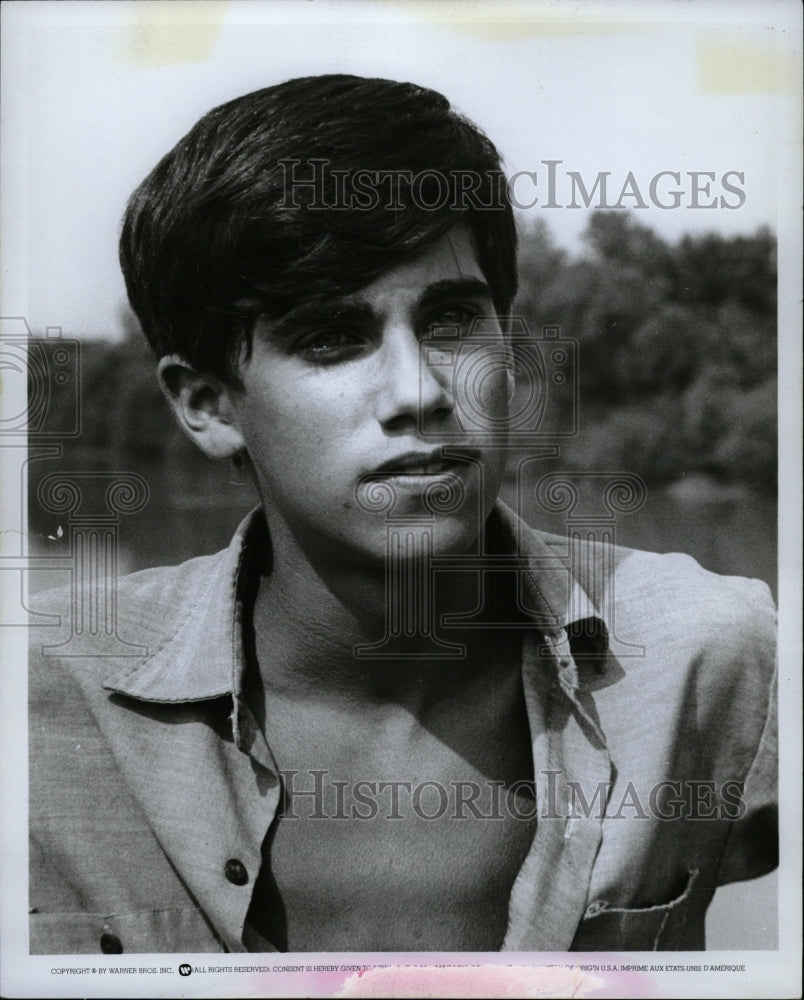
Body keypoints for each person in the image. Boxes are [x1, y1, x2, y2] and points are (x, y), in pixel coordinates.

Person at [28, 75, 777, 955]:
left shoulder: (715, 655)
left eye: (454, 318)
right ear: (207, 405)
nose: (420, 392)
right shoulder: (43, 709)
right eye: (331, 338)